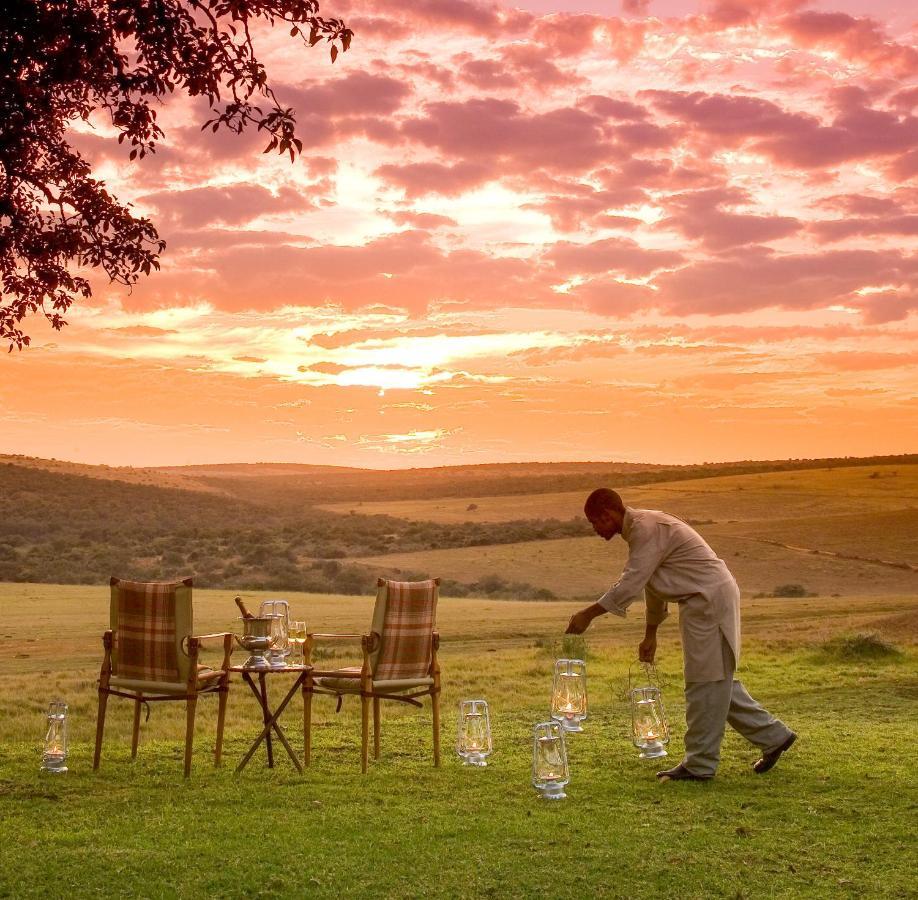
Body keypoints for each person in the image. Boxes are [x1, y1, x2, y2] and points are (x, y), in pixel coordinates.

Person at [566, 488, 796, 781]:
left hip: (708, 599)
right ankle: (773, 736)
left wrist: (588, 614)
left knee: (704, 681)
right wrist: (651, 634)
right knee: (716, 678)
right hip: (702, 600)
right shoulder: (641, 531)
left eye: (594, 523)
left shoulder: (646, 529)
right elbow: (652, 585)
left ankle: (700, 764)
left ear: (608, 515)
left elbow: (632, 583)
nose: (595, 530)